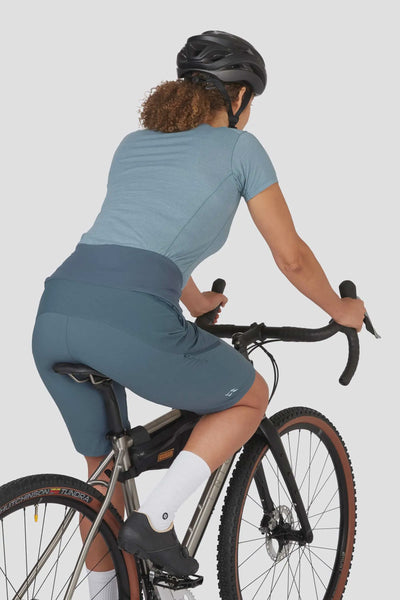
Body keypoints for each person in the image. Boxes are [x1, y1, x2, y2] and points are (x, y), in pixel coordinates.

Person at [31, 30, 365, 595]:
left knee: (103, 488)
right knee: (250, 394)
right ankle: (158, 520)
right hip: (129, 320)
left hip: (56, 313)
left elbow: (142, 237)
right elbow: (292, 257)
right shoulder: (240, 149)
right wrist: (342, 308)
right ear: (240, 97)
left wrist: (197, 302)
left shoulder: (133, 144)